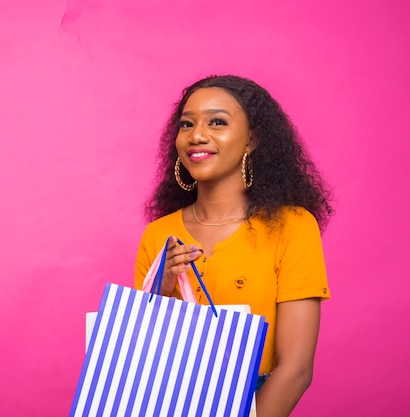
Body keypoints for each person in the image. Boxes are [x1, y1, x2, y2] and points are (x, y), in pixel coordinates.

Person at [134, 75, 333, 416]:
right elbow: (144, 355)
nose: (197, 135)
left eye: (217, 122)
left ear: (252, 140)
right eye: (187, 123)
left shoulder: (293, 226)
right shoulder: (159, 234)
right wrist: (161, 291)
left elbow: (296, 370)